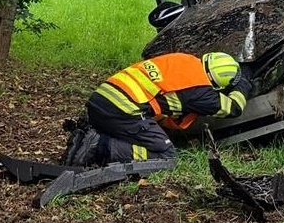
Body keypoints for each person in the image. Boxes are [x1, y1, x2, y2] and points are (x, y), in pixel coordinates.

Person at [66, 51, 252, 166]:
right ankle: (97, 146)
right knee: (166, 155)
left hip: (102, 99)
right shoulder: (201, 93)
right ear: (218, 85)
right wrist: (244, 84)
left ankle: (92, 133)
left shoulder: (184, 59)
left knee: (143, 132)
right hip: (123, 111)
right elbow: (233, 108)